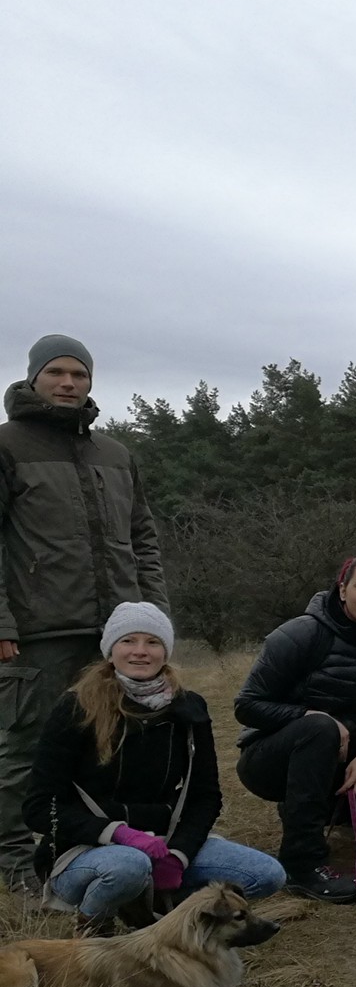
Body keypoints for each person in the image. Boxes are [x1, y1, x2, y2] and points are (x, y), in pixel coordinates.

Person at [0, 334, 169, 888]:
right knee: (25, 749)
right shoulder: (8, 447)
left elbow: (143, 538)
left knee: (111, 744)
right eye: (57, 373)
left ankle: (93, 850)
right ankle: (17, 863)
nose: (68, 383)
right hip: (37, 632)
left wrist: (154, 618)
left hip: (116, 633)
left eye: (79, 374)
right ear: (33, 378)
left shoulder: (115, 454)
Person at [25, 603, 282, 934]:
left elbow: (205, 796)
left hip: (164, 840)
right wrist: (116, 833)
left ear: (166, 650)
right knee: (130, 866)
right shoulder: (75, 707)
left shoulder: (189, 708)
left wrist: (179, 855)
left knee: (266, 874)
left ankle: (159, 919)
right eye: (128, 641)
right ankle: (93, 931)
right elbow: (39, 807)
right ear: (110, 650)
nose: (140, 652)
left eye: (152, 642)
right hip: (83, 850)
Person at [235, 554, 356, 903]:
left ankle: (327, 816)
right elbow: (246, 706)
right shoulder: (299, 634)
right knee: (321, 729)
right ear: (342, 589)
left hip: (345, 755)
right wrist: (312, 716)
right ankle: (302, 866)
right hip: (270, 759)